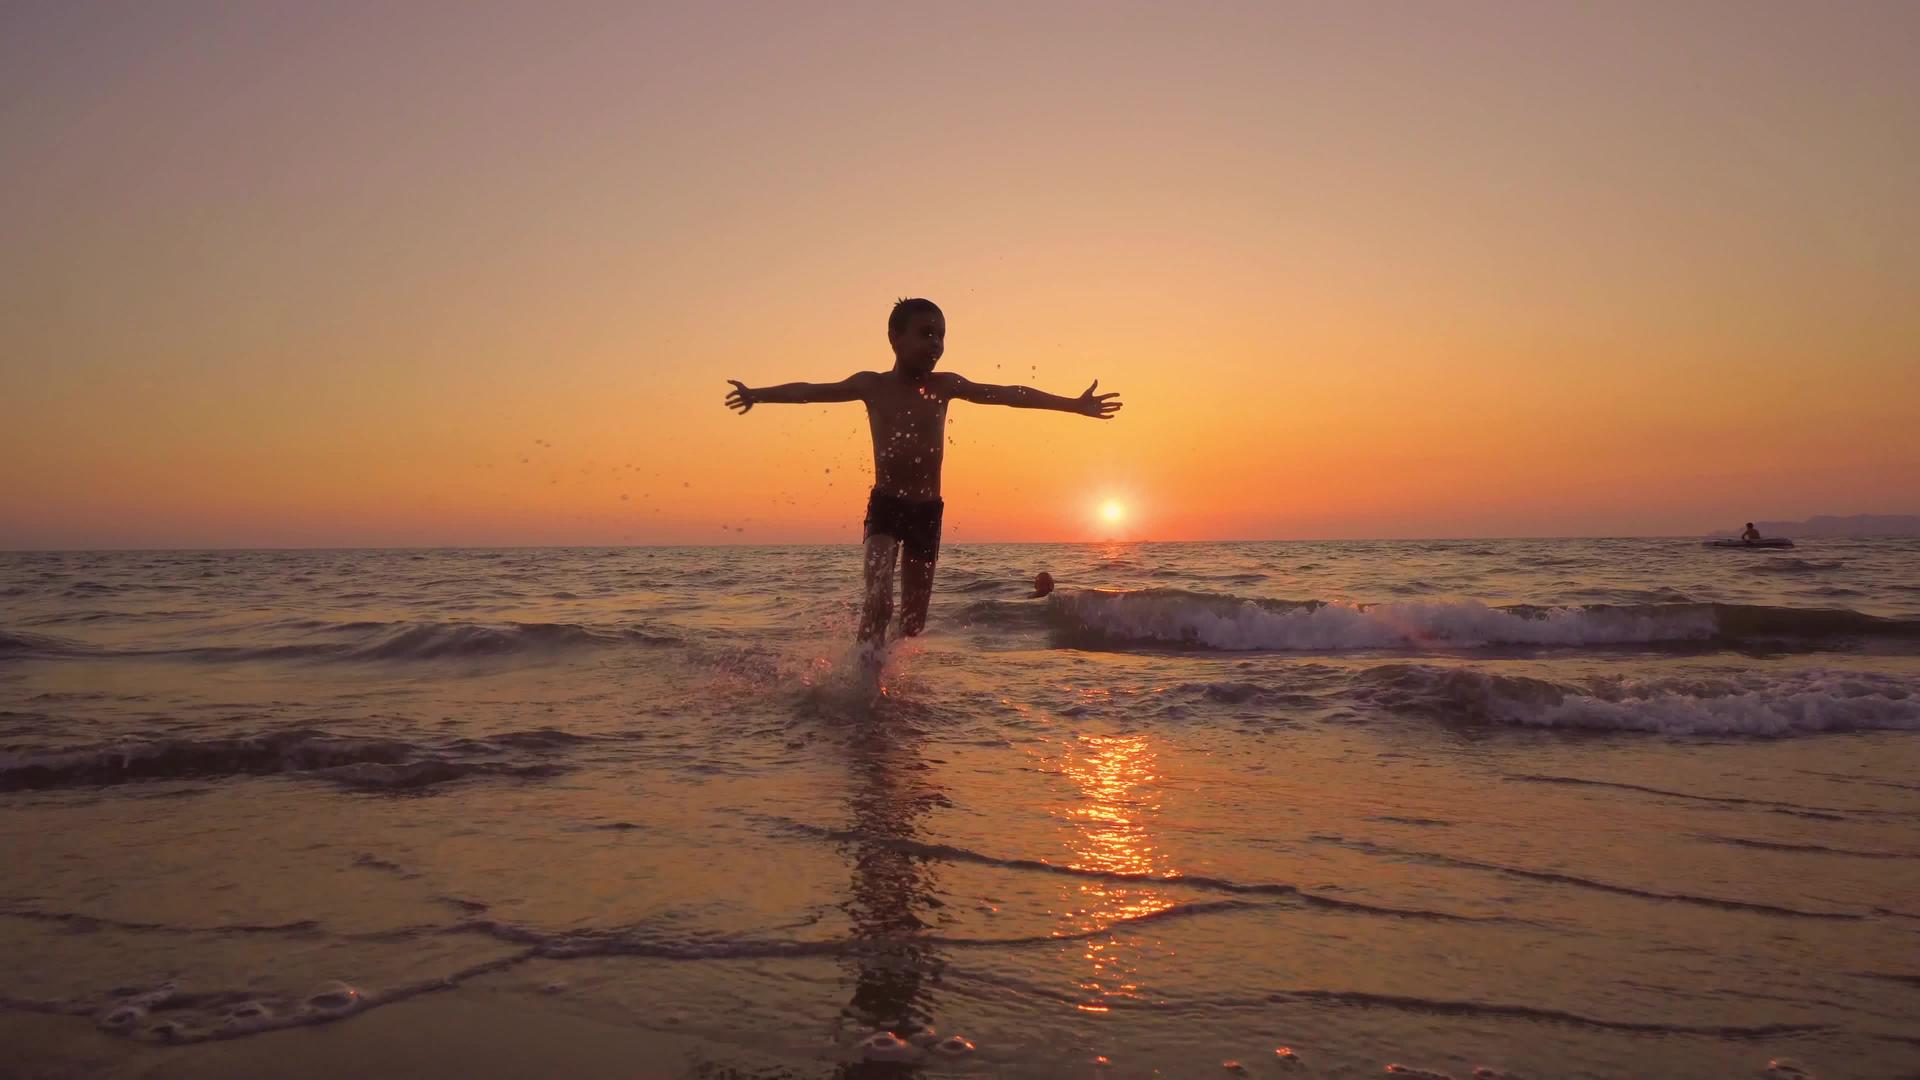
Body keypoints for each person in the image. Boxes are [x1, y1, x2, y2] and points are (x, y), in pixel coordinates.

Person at [726, 298, 1121, 649]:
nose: (936, 344)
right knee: (878, 604)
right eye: (926, 333)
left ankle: (884, 675)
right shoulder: (872, 385)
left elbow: (1009, 393)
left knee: (913, 624)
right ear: (895, 338)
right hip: (885, 506)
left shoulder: (945, 386)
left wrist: (1072, 405)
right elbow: (811, 389)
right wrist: (757, 394)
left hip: (926, 513)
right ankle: (860, 683)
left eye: (942, 336)